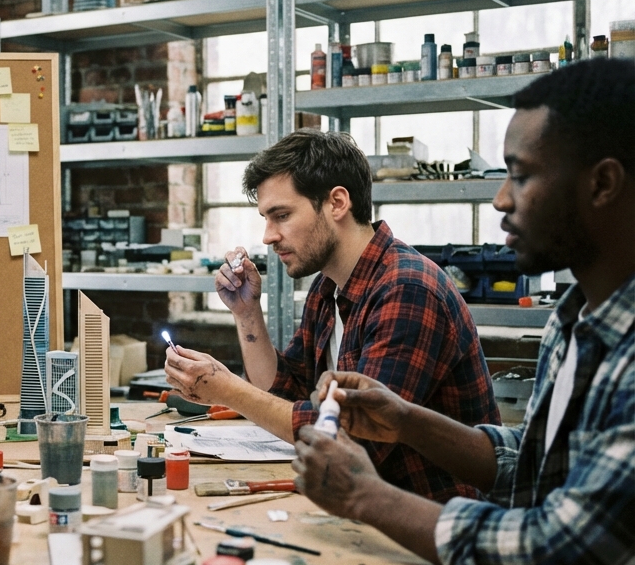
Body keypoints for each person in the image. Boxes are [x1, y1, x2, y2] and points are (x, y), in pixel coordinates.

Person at [292, 59, 635, 565]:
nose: (501, 199)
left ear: (603, 184)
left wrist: (365, 497)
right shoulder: (575, 318)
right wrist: (403, 417)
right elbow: (532, 464)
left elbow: (552, 557)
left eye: (522, 175)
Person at [165, 129, 499, 502]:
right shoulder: (328, 288)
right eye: (266, 218)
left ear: (337, 203)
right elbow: (284, 392)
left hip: (435, 519)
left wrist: (227, 390)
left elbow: (355, 438)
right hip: (368, 506)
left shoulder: (407, 289)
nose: (268, 236)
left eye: (282, 215)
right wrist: (246, 313)